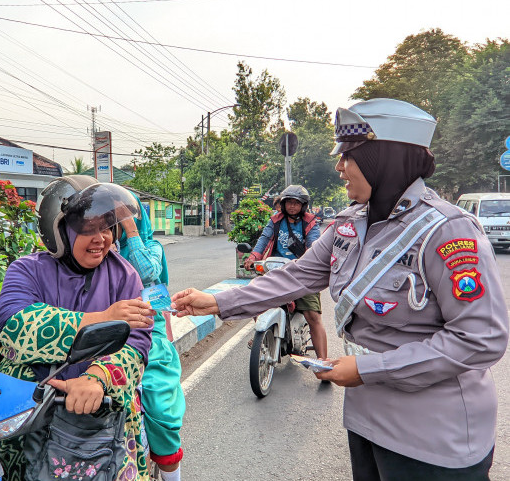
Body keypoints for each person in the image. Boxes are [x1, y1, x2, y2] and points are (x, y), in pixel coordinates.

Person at [171, 98, 509, 480]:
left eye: (348, 156)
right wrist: (217, 301)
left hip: (434, 436)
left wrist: (368, 368)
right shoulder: (349, 225)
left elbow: (481, 338)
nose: (339, 168)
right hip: (366, 420)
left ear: (384, 158)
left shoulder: (447, 231)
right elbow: (294, 276)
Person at [0, 175, 155, 481]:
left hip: (106, 415)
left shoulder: (125, 276)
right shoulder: (26, 270)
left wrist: (96, 379)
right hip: (30, 416)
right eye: (86, 228)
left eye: (106, 226)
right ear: (58, 231)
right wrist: (102, 318)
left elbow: (137, 343)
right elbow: (13, 327)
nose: (101, 238)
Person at [117, 193, 185, 481]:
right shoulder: (99, 247)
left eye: (126, 214)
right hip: (109, 330)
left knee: (160, 402)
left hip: (148, 329)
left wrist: (131, 230)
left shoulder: (152, 245)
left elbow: (146, 272)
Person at [243, 185, 328, 359]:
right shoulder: (275, 220)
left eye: (296, 203)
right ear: (283, 203)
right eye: (289, 202)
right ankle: (262, 332)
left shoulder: (310, 222)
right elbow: (264, 239)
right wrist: (253, 257)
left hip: (303, 272)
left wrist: (312, 262)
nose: (292, 206)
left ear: (303, 205)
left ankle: (323, 362)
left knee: (313, 316)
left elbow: (314, 245)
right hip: (277, 270)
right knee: (256, 299)